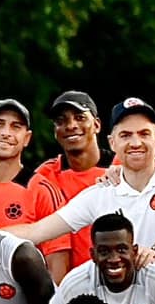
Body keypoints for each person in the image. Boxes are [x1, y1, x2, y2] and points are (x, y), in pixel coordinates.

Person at [17, 98, 155, 289]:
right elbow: (35, 231)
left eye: (144, 133)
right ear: (113, 142)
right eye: (126, 135)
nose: (135, 142)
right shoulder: (101, 193)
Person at [0, 100, 67, 277]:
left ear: (26, 138)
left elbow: (57, 265)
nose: (6, 133)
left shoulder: (41, 190)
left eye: (15, 127)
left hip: (22, 300)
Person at [31, 89, 108, 274]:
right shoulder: (44, 175)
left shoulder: (124, 168)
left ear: (97, 125)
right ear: (55, 131)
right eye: (61, 120)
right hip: (69, 287)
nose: (70, 125)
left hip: (122, 282)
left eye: (80, 117)